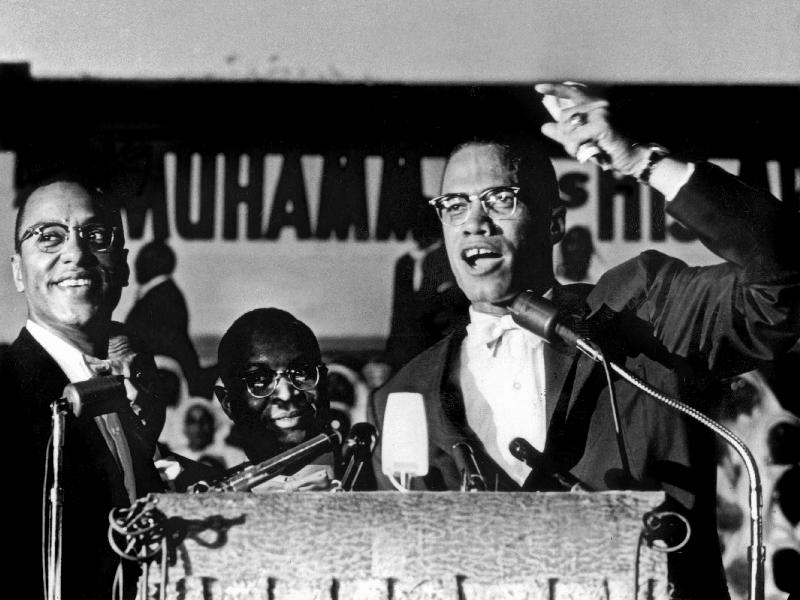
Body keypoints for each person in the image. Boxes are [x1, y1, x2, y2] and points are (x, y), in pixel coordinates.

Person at [369, 83, 800, 598]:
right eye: (454, 205)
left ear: (554, 224)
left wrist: (645, 162)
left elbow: (786, 276)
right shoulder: (404, 396)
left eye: (499, 199)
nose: (474, 222)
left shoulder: (643, 309)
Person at [1, 171, 166, 600]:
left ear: (124, 266)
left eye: (95, 234)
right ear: (18, 272)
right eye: (48, 237)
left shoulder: (129, 385)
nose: (75, 252)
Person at [214, 308, 335, 492]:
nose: (286, 394)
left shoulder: (380, 476)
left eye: (301, 372)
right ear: (228, 404)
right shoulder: (212, 498)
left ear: (324, 380)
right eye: (259, 379)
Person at [385, 201, 468, 370]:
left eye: (422, 222)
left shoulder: (451, 258)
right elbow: (398, 313)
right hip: (407, 353)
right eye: (413, 223)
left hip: (442, 350)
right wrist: (391, 354)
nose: (416, 230)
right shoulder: (404, 262)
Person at [126, 239, 214, 398]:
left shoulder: (160, 296)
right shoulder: (165, 293)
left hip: (166, 382)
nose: (136, 265)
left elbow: (161, 344)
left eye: (142, 260)